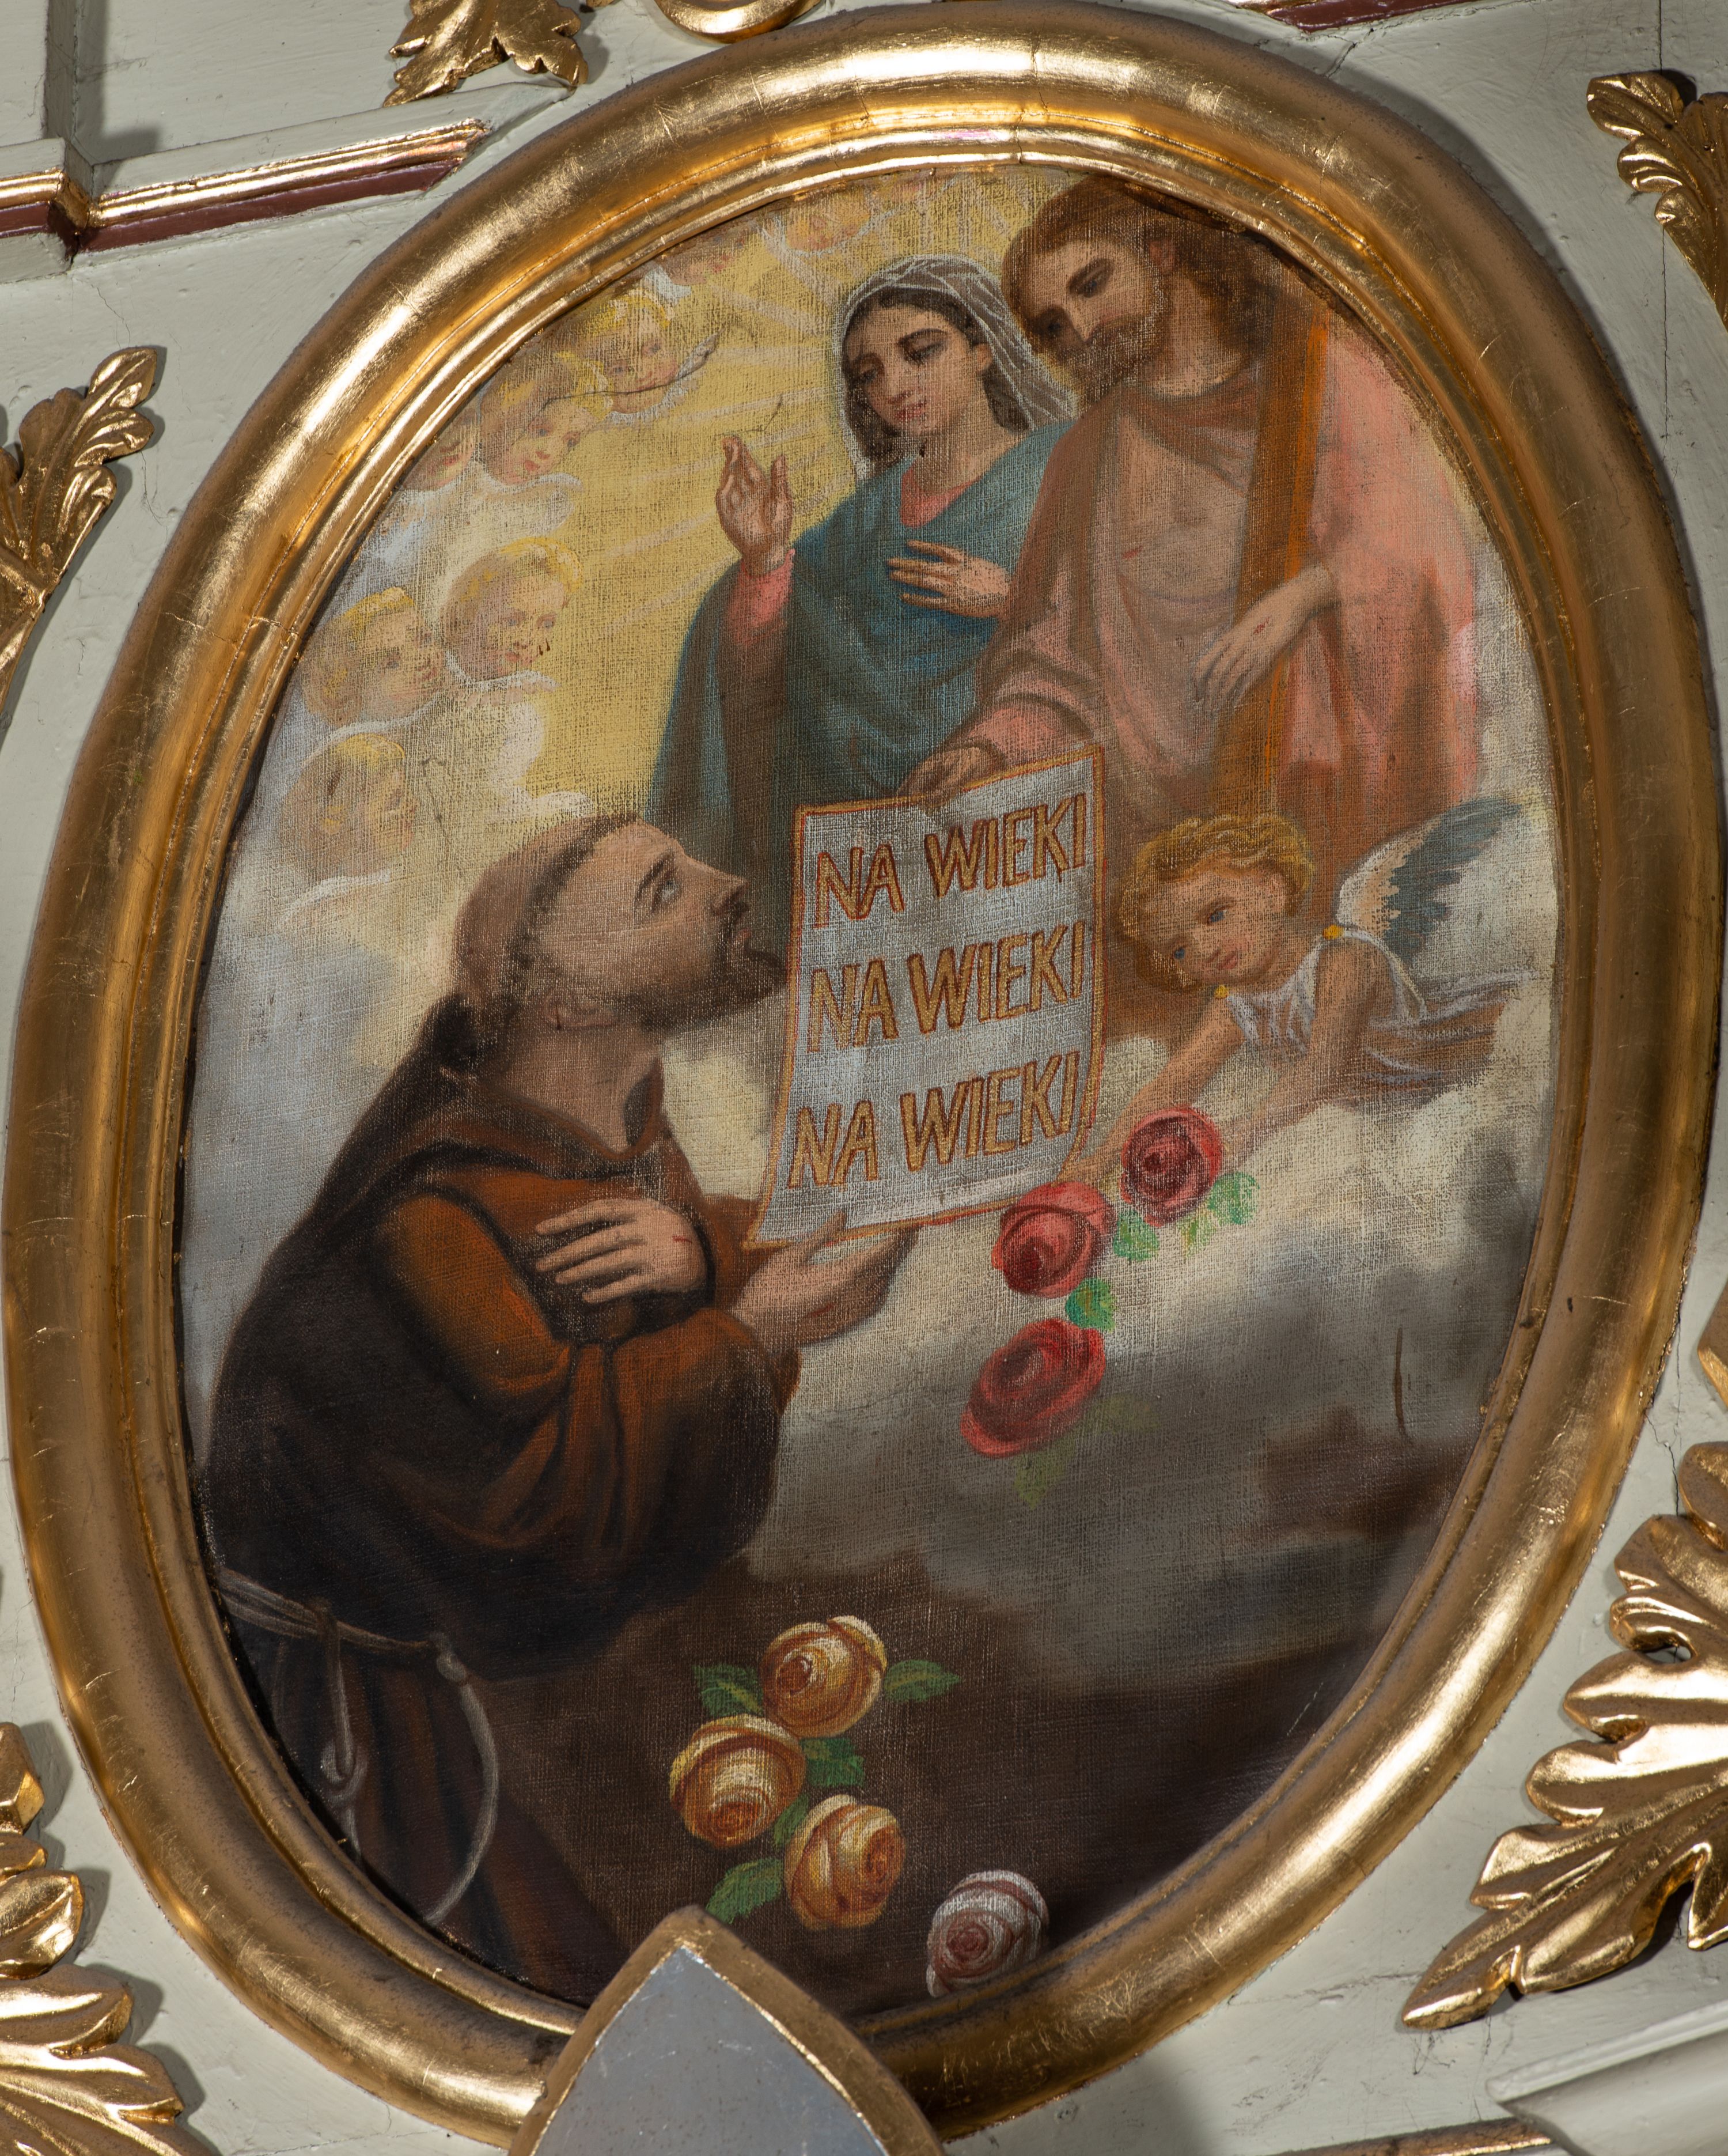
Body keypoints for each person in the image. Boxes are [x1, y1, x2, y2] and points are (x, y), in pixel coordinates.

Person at [200, 815, 912, 1998]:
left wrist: (705, 1254)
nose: (730, 884)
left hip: (536, 1671)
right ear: (567, 1003)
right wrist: (751, 1334)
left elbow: (641, 1298)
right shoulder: (432, 1224)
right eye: (663, 891)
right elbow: (544, 1507)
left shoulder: (601, 1131)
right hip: (365, 1728)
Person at [908, 179, 1481, 944]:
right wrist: (993, 746)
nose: (1081, 328)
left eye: (1092, 284)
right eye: (1054, 324)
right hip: (1169, 860)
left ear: (1160, 251)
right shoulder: (1087, 456)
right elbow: (1055, 657)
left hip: (1330, 794)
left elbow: (1421, 540)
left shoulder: (1320, 375)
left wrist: (1305, 594)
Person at [649, 254, 1070, 952]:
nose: (895, 387)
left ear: (982, 350)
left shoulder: (1064, 464)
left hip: (1024, 803)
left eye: (921, 352)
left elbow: (1133, 618)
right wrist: (765, 560)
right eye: (869, 374)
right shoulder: (863, 522)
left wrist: (1013, 599)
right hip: (873, 848)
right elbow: (768, 661)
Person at [1083, 803, 1520, 1172]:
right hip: (1402, 1118)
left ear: (1271, 890)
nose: (1205, 949)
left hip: (1478, 1061)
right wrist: (1096, 1165)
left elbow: (1322, 1069)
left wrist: (1247, 1132)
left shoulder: (1343, 961)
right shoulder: (1234, 1003)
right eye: (1180, 950)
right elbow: (1175, 1082)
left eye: (1216, 915)